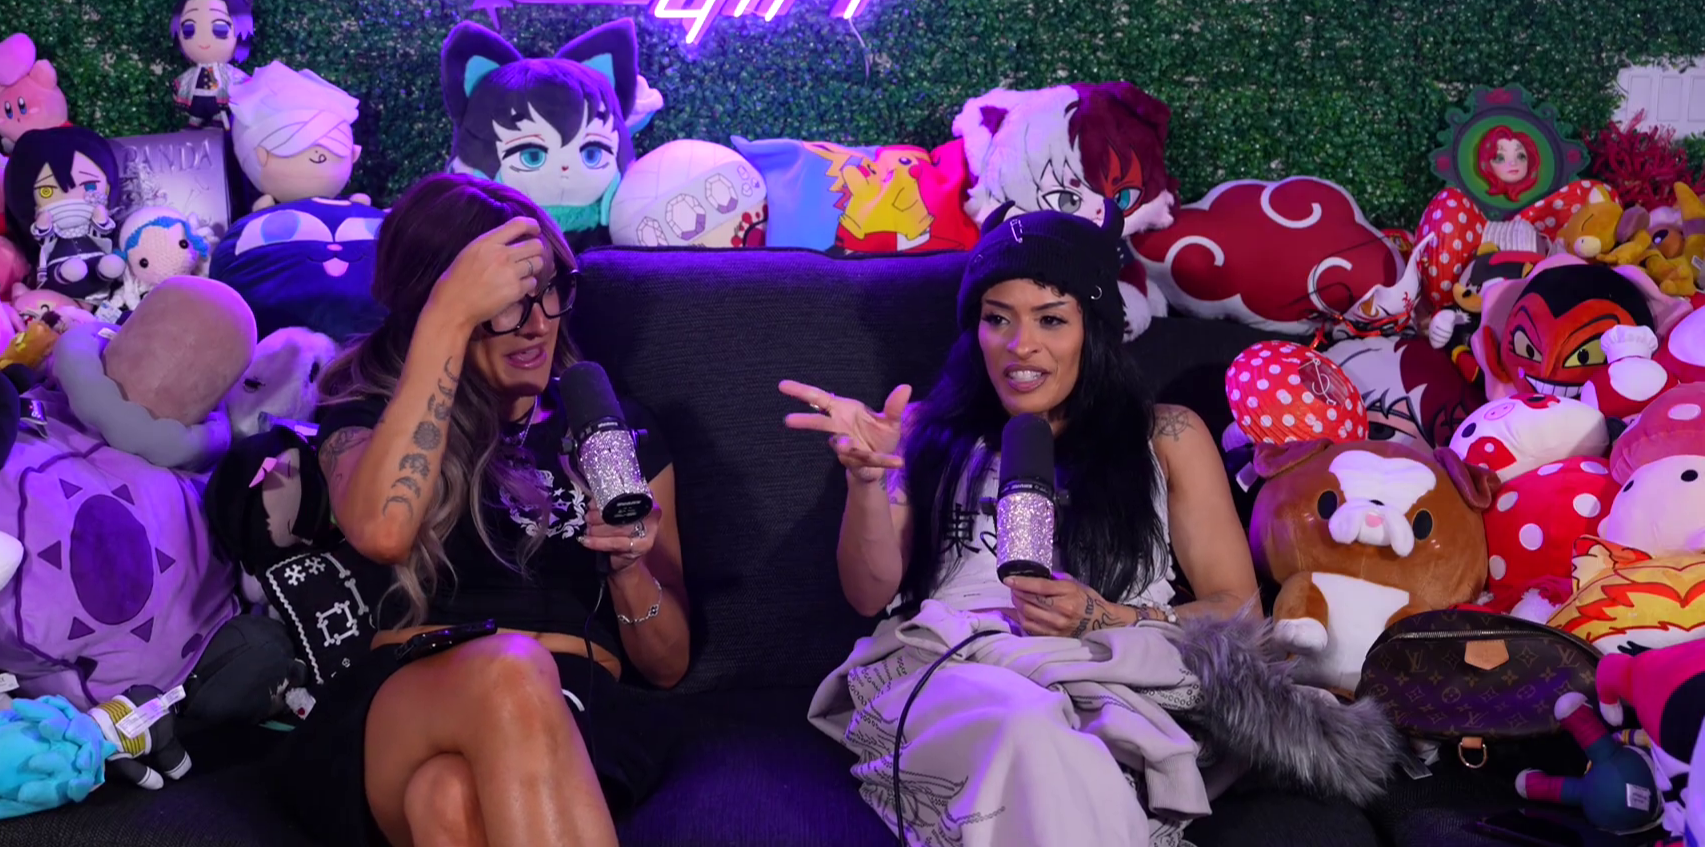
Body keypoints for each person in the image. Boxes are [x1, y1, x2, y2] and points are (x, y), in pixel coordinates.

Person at [784, 206, 1262, 847]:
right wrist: (867, 483)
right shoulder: (922, 429)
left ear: (1093, 329)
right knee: (1027, 722)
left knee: (1062, 741)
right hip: (958, 674)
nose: (1021, 346)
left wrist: (1106, 617)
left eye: (1051, 320)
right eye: (998, 319)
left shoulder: (1168, 435)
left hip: (1107, 679)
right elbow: (869, 595)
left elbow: (1240, 611)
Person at [281, 174, 689, 847]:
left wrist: (627, 569)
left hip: (580, 708)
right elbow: (383, 531)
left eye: (551, 291)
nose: (538, 324)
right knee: (510, 669)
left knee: (447, 799)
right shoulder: (370, 417)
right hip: (411, 700)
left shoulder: (614, 432)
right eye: (504, 305)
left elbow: (669, 666)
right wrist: (445, 319)